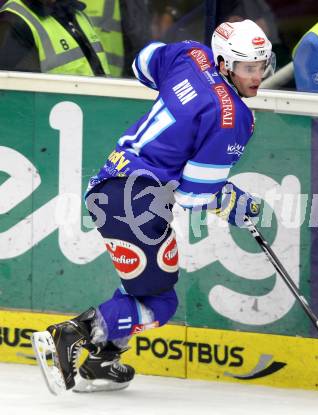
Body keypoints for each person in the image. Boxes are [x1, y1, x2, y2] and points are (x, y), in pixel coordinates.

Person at [31, 19, 274, 394]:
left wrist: (180, 97)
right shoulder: (234, 118)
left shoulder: (193, 54)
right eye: (247, 67)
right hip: (139, 202)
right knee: (160, 303)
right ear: (225, 64)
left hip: (109, 186)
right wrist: (238, 204)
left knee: (140, 288)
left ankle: (100, 363)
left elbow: (143, 63)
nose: (257, 76)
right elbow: (195, 197)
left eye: (262, 65)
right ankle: (71, 333)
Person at [0, 0, 110, 75]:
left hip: (99, 106)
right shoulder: (14, 21)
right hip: (57, 108)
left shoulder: (76, 12)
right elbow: (13, 97)